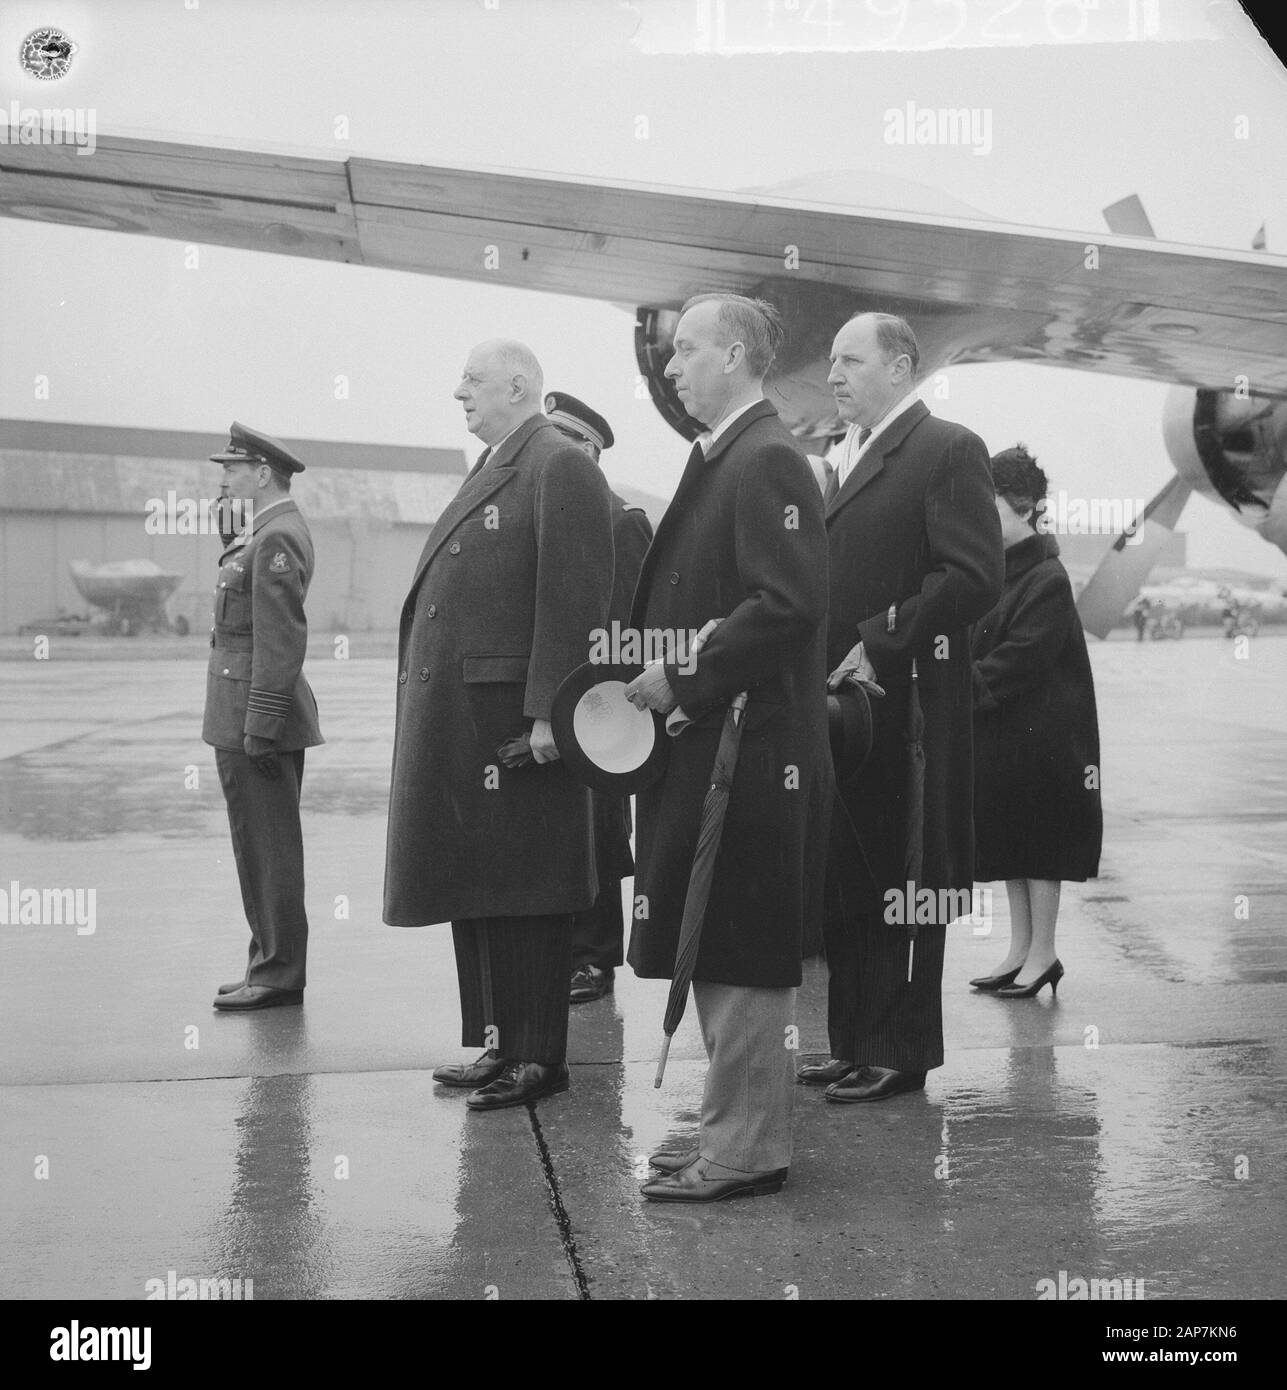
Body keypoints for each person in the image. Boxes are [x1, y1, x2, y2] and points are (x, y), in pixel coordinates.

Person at [624, 294, 830, 1202]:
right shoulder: (729, 453)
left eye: (687, 350)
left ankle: (746, 1150)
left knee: (741, 948)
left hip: (746, 751)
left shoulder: (765, 456)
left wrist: (684, 674)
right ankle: (730, 1127)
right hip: (713, 744)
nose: (669, 368)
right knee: (710, 939)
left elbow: (788, 603)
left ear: (737, 356)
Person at [383, 341, 613, 1111]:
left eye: (472, 380)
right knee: (480, 887)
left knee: (526, 892)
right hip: (471, 719)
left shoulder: (558, 464)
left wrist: (551, 710)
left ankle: (538, 1058)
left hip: (513, 724)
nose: (459, 392)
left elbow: (575, 597)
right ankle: (499, 1043)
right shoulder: (497, 464)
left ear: (517, 386)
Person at [807, 312, 1003, 1102]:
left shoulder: (946, 448)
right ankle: (852, 1042)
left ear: (899, 366)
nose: (832, 375)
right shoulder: (843, 456)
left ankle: (900, 1048)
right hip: (846, 711)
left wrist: (879, 639)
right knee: (847, 873)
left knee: (905, 877)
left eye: (849, 360)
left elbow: (972, 575)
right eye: (831, 360)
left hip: (907, 706)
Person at [970, 446, 1102, 998]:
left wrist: (962, 687)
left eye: (993, 506)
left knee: (1041, 844)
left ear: (1024, 508)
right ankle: (1021, 948)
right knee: (1011, 842)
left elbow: (1022, 657)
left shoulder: (1047, 576)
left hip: (1046, 740)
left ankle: (1043, 952)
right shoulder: (1000, 574)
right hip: (1007, 734)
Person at [205, 422, 323, 1011]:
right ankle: (267, 962)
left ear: (262, 473)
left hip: (256, 717)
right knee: (255, 846)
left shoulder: (277, 537)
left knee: (270, 850)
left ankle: (279, 973)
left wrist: (262, 724)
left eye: (232, 470)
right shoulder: (262, 530)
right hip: (238, 712)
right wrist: (232, 521)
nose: (223, 480)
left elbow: (281, 641)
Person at [544, 391, 654, 1005]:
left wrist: (602, 705)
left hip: (598, 704)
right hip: (550, 701)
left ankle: (594, 958)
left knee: (597, 832)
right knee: (559, 831)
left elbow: (630, 627)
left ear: (587, 450)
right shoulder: (548, 516)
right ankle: (564, 951)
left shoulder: (621, 521)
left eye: (561, 444)